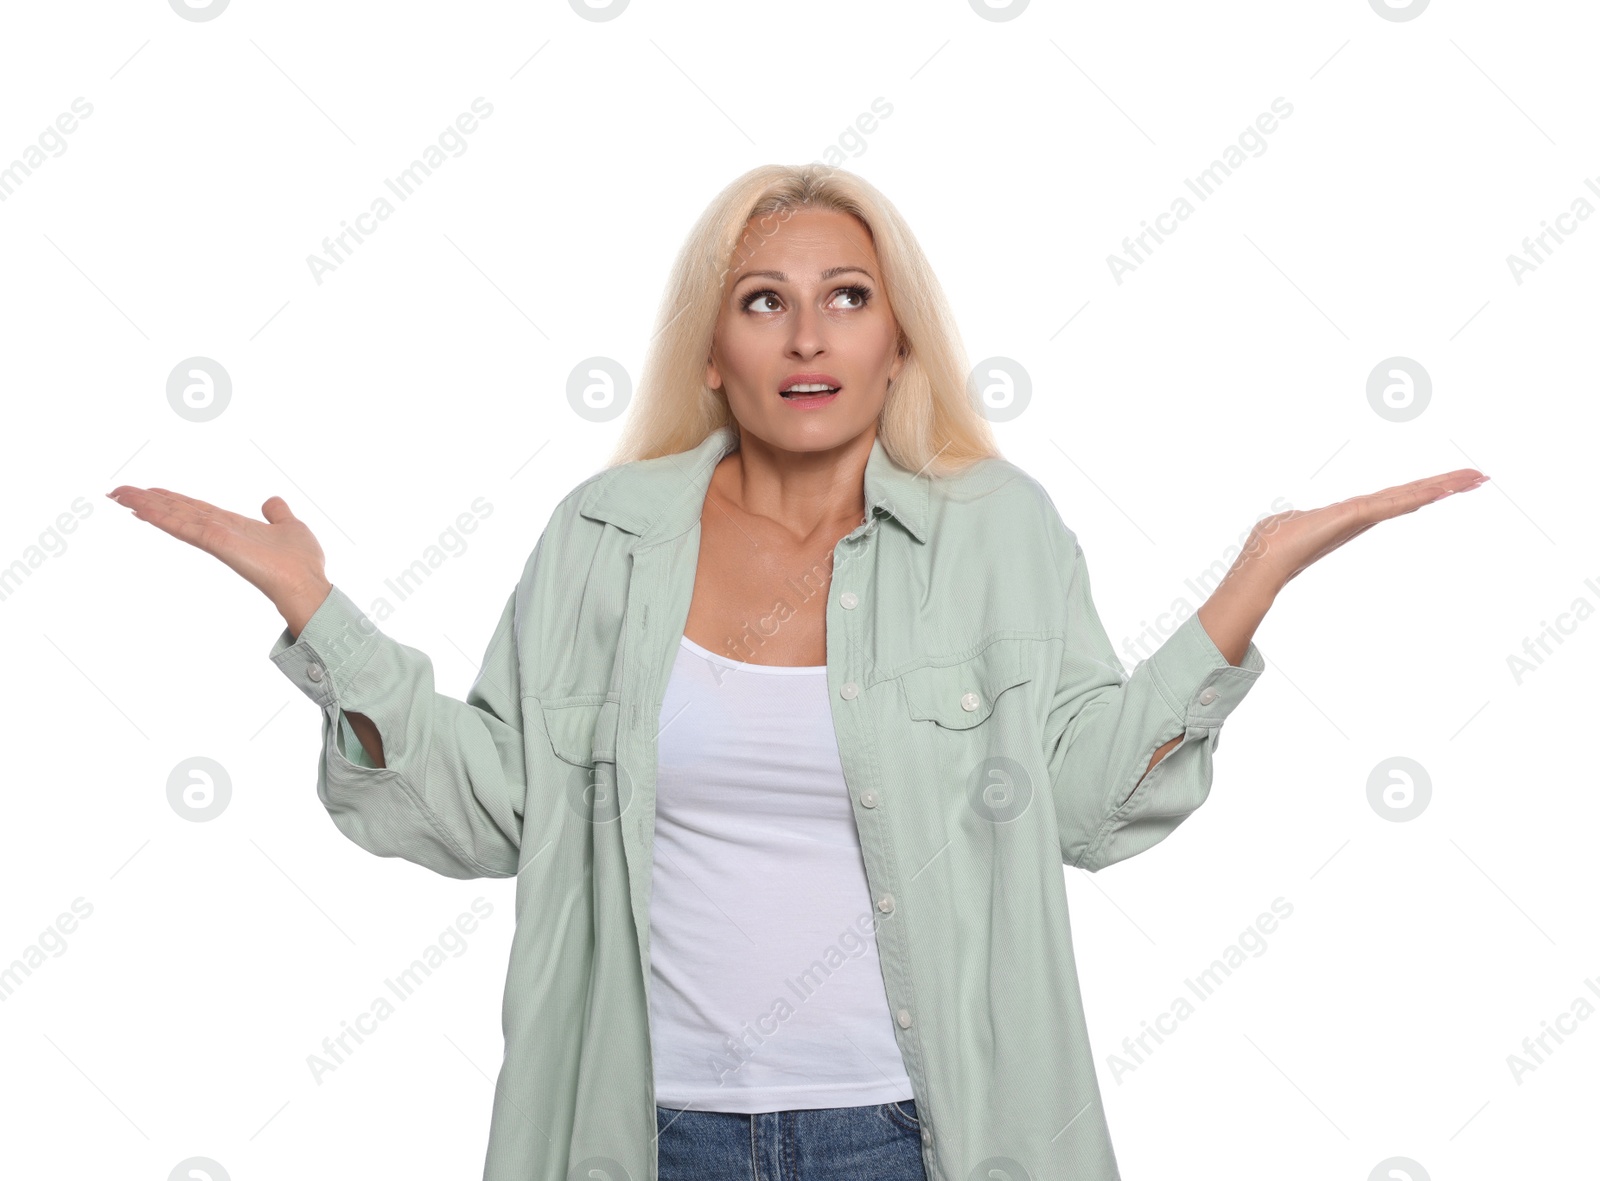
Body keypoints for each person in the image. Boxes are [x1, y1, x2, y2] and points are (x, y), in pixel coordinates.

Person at [107, 163, 1486, 1181]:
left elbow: (1081, 808)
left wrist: (1247, 586)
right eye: (766, 302)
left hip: (919, 1130)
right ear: (714, 353)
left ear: (896, 345)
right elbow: (491, 812)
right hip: (648, 1132)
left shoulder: (997, 531)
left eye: (847, 299)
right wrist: (320, 618)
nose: (809, 336)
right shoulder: (603, 538)